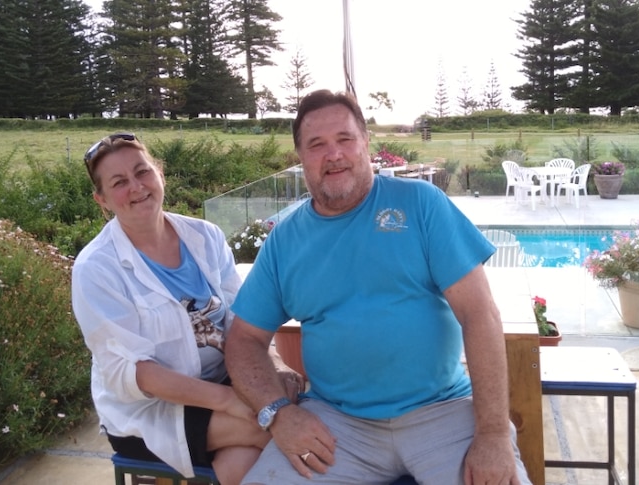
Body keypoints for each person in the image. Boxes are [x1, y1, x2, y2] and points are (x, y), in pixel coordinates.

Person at [225, 90, 531, 485]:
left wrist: (491, 433)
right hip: (337, 423)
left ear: (366, 143)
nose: (333, 154)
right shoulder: (285, 241)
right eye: (317, 145)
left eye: (345, 139)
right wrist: (278, 412)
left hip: (442, 411)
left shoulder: (421, 204)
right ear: (300, 157)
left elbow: (480, 314)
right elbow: (244, 339)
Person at [70, 133, 304, 485]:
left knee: (251, 455)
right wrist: (227, 401)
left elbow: (240, 321)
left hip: (225, 381)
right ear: (101, 200)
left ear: (159, 173)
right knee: (278, 427)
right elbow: (134, 373)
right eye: (119, 182)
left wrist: (274, 364)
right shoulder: (97, 269)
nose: (136, 187)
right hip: (151, 410)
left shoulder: (205, 237)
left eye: (142, 172)